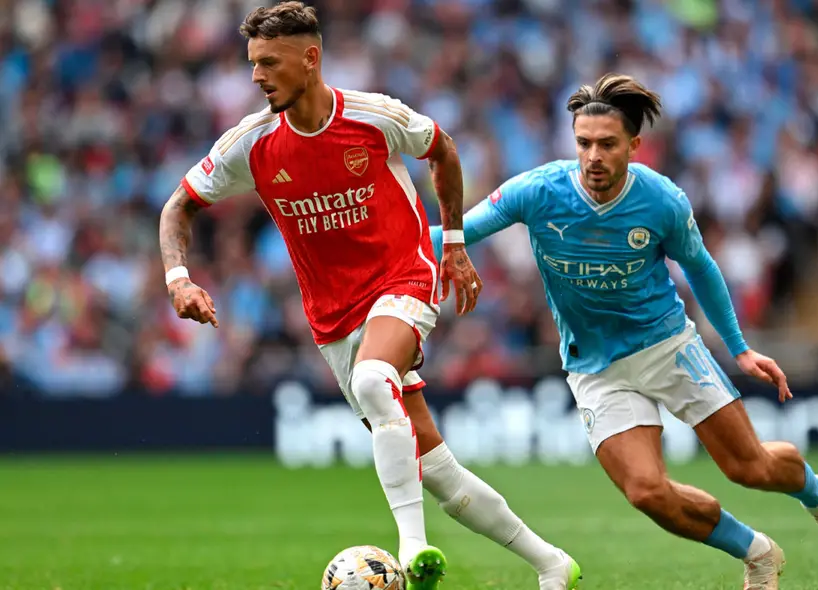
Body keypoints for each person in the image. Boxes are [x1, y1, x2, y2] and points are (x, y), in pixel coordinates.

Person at [157, 3, 581, 589]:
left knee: (373, 381)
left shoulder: (373, 115)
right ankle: (552, 563)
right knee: (437, 470)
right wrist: (178, 278)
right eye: (253, 63)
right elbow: (178, 206)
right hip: (333, 318)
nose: (256, 76)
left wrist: (455, 244)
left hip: (404, 276)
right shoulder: (250, 144)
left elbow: (442, 148)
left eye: (269, 63)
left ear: (310, 58)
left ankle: (412, 549)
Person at [430, 73, 818, 589]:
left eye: (607, 144)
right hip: (595, 367)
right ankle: (757, 552)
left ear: (634, 146)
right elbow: (456, 233)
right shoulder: (537, 191)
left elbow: (701, 268)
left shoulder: (662, 201)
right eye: (583, 143)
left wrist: (739, 348)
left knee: (749, 467)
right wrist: (375, 242)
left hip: (667, 347)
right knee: (646, 492)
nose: (593, 156)